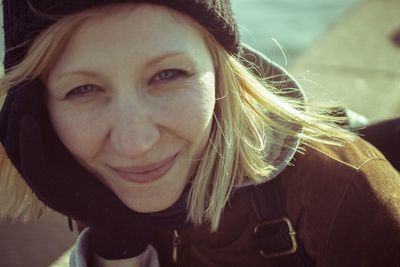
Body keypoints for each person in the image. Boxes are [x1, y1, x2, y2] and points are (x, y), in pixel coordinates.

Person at [0, 1, 399, 266]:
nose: (135, 144)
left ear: (221, 66)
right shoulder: (85, 180)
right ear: (35, 107)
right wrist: (115, 239)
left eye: (168, 74)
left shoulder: (343, 189)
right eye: (82, 90)